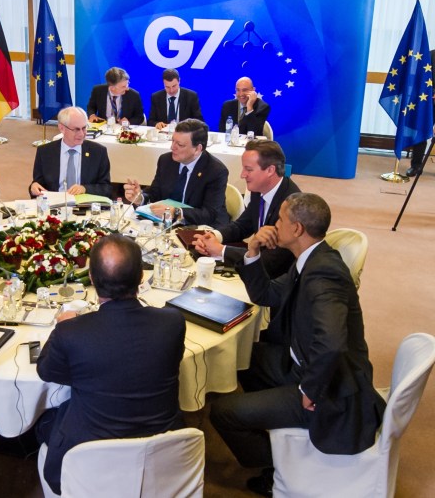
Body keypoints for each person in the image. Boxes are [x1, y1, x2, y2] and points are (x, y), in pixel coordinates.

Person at [210, 193, 386, 497]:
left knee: (222, 412)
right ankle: (273, 417)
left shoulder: (324, 274)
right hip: (301, 363)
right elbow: (266, 295)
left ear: (297, 229)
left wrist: (309, 391)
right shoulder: (310, 258)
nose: (274, 225)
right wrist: (252, 250)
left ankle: (276, 465)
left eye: (280, 219)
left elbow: (331, 343)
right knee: (243, 357)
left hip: (328, 390)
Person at [35, 234, 186, 495]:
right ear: (141, 276)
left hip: (90, 457)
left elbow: (47, 371)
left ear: (91, 279)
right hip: (163, 449)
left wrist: (62, 326)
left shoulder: (72, 333)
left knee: (43, 423)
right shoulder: (172, 322)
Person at [193, 140, 300, 278]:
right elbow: (244, 225)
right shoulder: (260, 188)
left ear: (270, 170)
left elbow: (272, 262)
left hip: (277, 280)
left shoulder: (291, 205)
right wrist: (215, 236)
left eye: (249, 169)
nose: (242, 175)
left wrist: (221, 250)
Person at [123, 119, 230, 228]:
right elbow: (156, 192)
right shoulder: (166, 160)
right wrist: (140, 198)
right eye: (172, 141)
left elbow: (209, 213)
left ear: (197, 149)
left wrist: (176, 212)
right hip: (167, 223)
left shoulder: (216, 171)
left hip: (201, 227)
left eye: (180, 144)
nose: (172, 147)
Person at [30, 106, 112, 198]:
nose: (81, 134)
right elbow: (38, 185)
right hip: (55, 206)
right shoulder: (45, 152)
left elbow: (107, 188)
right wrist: (33, 187)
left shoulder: (98, 152)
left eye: (84, 128)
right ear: (61, 128)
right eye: (76, 129)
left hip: (85, 206)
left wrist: (85, 189)